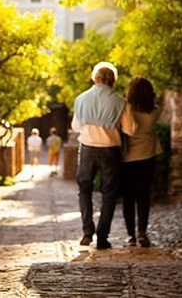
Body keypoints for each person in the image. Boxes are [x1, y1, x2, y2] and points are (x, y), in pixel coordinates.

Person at [71, 61, 126, 250]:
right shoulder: (120, 102)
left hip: (87, 148)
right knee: (109, 194)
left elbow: (76, 127)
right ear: (112, 80)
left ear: (96, 78)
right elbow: (131, 129)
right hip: (110, 150)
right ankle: (102, 238)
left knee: (84, 189)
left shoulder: (81, 99)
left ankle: (87, 232)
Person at [120, 76, 164, 248]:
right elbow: (158, 104)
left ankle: (130, 235)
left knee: (128, 197)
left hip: (127, 157)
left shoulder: (126, 109)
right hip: (148, 156)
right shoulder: (154, 112)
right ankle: (142, 232)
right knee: (143, 195)